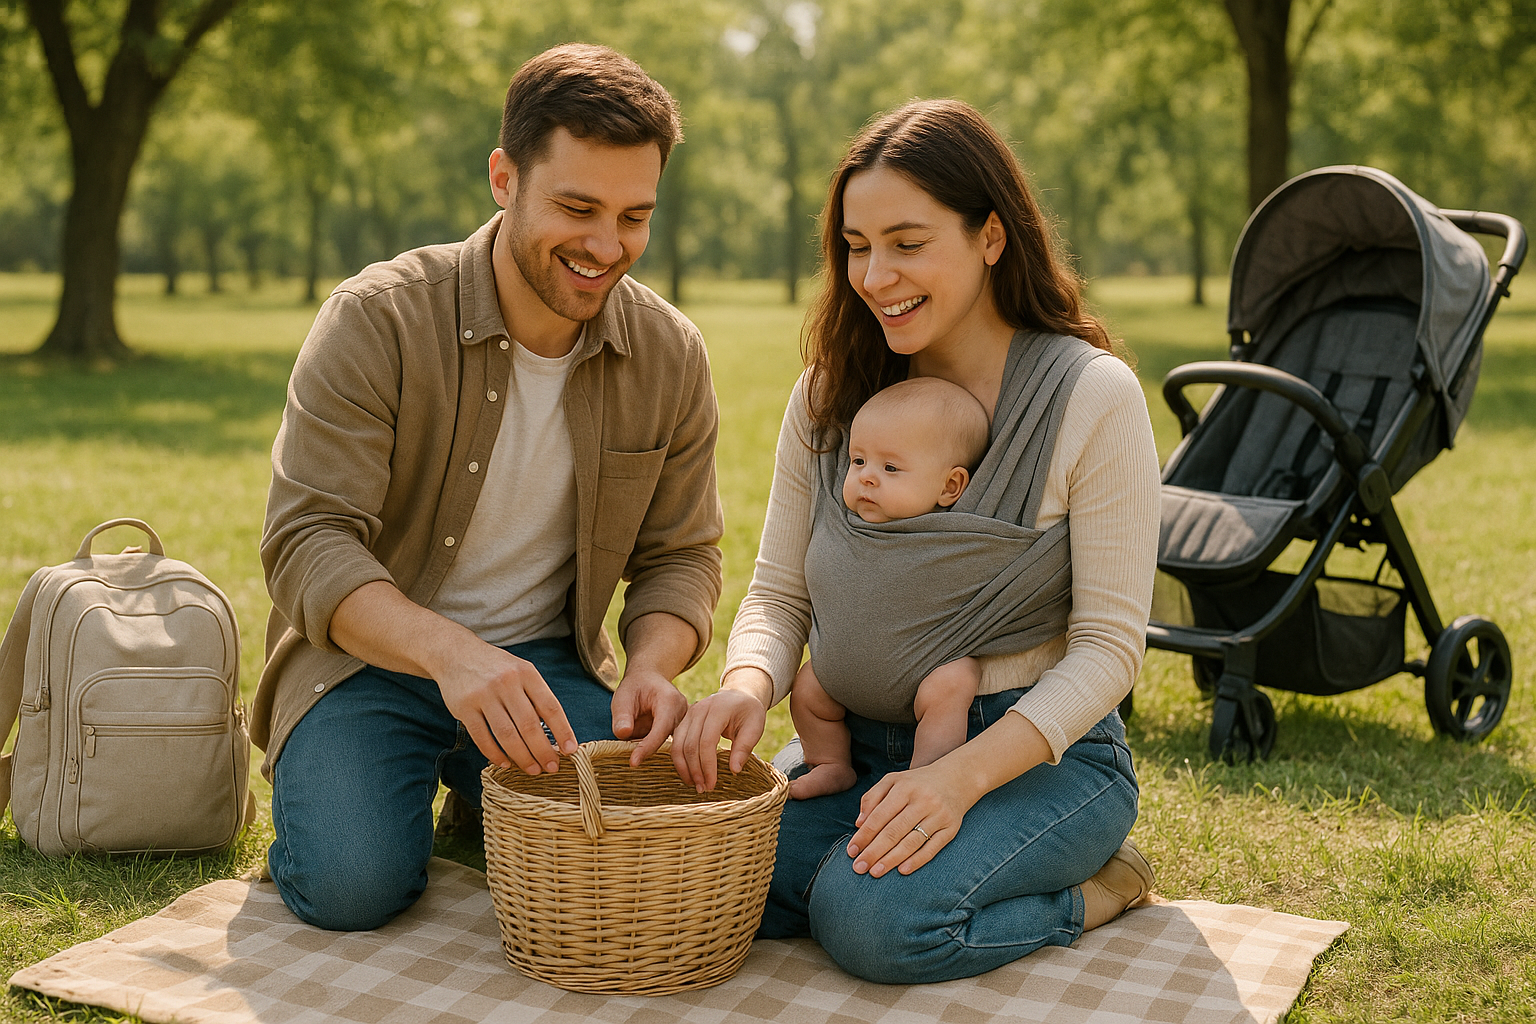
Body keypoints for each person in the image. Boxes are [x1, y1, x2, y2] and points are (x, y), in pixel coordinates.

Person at [671, 99, 1161, 984]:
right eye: (857, 246)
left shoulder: (1092, 396)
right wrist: (747, 686)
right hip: (857, 749)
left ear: (991, 237)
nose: (874, 275)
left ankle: (1099, 890)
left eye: (907, 242)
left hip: (1032, 757)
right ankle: (849, 878)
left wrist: (956, 781)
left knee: (873, 924)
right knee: (705, 880)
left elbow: (1109, 649)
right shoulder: (830, 394)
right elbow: (779, 593)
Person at [255, 43, 723, 932]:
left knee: (636, 862)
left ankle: (484, 791)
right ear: (505, 179)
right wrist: (452, 656)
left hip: (543, 669)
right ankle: (361, 788)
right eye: (577, 208)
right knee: (353, 887)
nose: (606, 247)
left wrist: (652, 666)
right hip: (369, 662)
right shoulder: (378, 317)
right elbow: (307, 543)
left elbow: (683, 555)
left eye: (634, 217)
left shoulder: (670, 354)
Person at [788, 376, 990, 800]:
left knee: (954, 682)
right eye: (858, 460)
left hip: (924, 674)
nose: (866, 477)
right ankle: (829, 762)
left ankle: (925, 775)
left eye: (890, 468)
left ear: (950, 486)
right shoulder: (843, 526)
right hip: (838, 674)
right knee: (807, 689)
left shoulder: (954, 537)